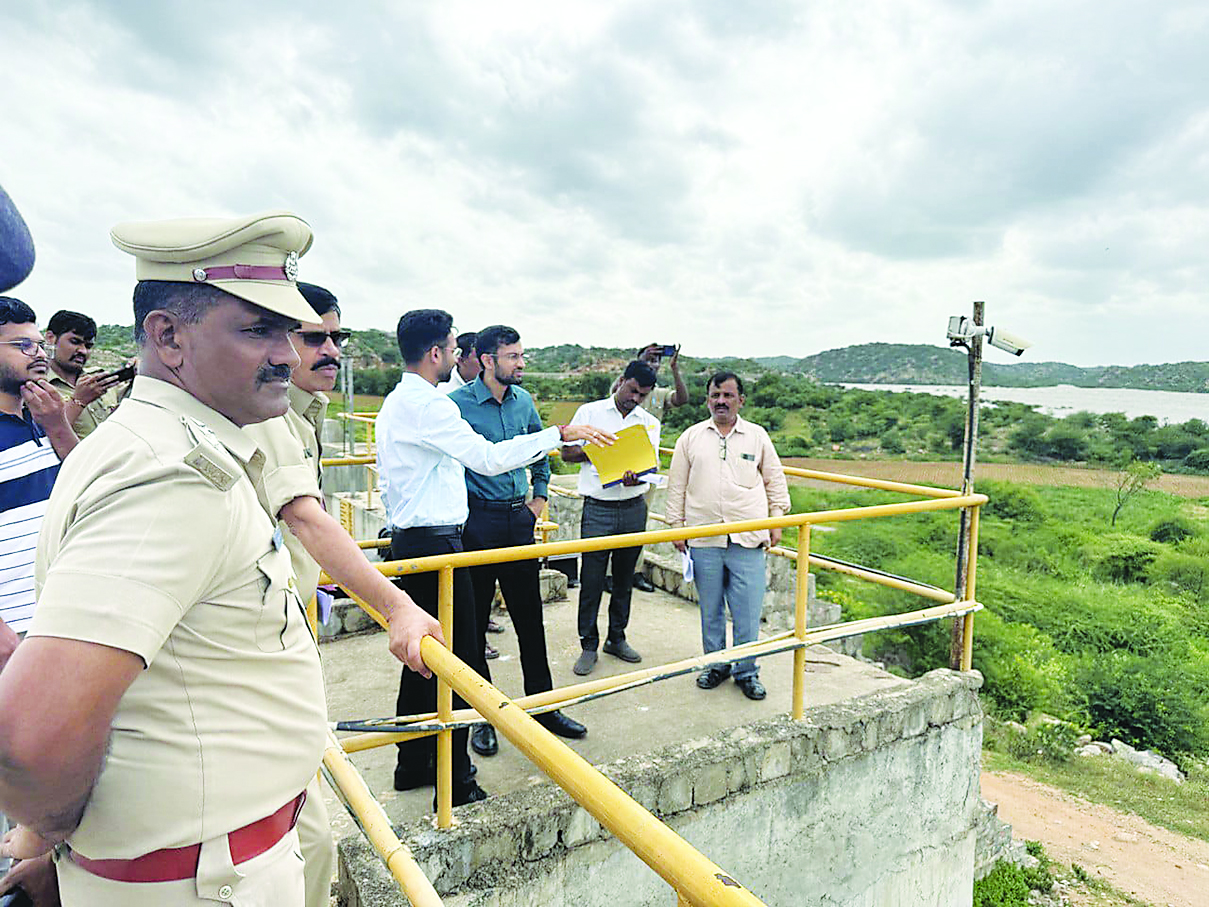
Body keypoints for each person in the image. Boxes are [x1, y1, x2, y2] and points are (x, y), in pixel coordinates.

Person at [0, 211, 439, 907]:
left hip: (196, 863)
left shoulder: (170, 444)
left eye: (283, 331)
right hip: (203, 880)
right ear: (168, 336)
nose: (286, 356)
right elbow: (33, 739)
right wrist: (61, 836)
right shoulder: (170, 479)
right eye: (256, 329)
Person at [242, 281, 437, 907]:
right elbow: (308, 519)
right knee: (310, 838)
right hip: (258, 646)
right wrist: (396, 607)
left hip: (291, 625)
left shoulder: (305, 413)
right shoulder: (268, 412)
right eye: (312, 338)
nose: (330, 351)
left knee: (309, 825)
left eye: (336, 337)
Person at [377, 309, 609, 804]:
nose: (457, 356)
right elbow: (487, 457)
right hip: (439, 544)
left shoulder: (398, 401)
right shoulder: (434, 405)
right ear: (437, 352)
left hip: (414, 539)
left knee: (420, 659)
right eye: (454, 347)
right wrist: (559, 435)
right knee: (456, 658)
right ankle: (456, 781)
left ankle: (411, 763)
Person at [449, 324, 588, 758]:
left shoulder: (524, 401)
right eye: (512, 356)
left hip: (517, 521)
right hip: (475, 524)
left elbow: (540, 449)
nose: (521, 363)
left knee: (531, 620)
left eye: (521, 355)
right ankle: (482, 718)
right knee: (471, 629)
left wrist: (540, 498)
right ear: (487, 360)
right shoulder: (455, 407)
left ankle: (543, 709)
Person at [665, 371, 790, 701]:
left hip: (747, 538)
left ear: (741, 400)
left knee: (747, 610)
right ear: (708, 399)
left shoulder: (757, 436)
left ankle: (746, 671)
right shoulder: (690, 438)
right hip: (704, 539)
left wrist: (776, 520)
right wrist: (676, 527)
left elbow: (775, 482)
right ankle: (716, 665)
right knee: (710, 609)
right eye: (715, 395)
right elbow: (676, 487)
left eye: (728, 396)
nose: (721, 401)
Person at [562, 360, 660, 676]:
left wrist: (637, 476)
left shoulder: (648, 422)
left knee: (624, 579)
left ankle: (616, 638)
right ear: (621, 381)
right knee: (591, 579)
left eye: (642, 395)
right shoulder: (590, 413)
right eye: (632, 390)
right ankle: (588, 644)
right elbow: (566, 453)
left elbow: (650, 464)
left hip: (633, 506)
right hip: (598, 508)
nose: (635, 398)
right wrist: (600, 449)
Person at [608, 344, 687, 594]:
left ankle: (635, 570)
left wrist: (675, 369)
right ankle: (609, 574)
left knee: (639, 520)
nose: (654, 363)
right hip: (621, 462)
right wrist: (637, 362)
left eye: (657, 360)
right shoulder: (626, 387)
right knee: (615, 520)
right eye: (649, 359)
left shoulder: (657, 393)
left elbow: (682, 399)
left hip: (647, 466)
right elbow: (612, 393)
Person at [44, 310, 128, 439]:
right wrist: (79, 401)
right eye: (75, 342)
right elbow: (46, 437)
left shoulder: (100, 378)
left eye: (88, 346)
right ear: (51, 338)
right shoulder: (38, 387)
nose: (82, 351)